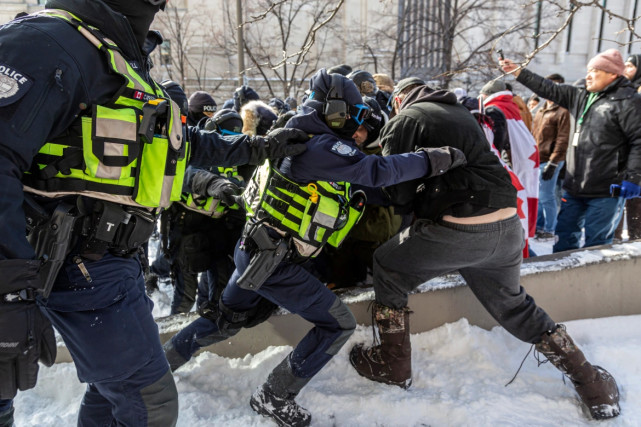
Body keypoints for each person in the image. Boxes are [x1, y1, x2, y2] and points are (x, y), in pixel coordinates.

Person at [0, 2, 308, 426]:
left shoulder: (113, 53)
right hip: (69, 262)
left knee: (116, 395)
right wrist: (9, 292)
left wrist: (257, 148)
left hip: (109, 263)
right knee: (150, 403)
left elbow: (173, 141)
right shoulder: (44, 41)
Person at [163, 68, 467, 426]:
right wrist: (435, 160)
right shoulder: (322, 144)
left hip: (255, 250)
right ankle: (274, 396)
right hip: (275, 261)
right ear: (334, 110)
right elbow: (377, 171)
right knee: (337, 324)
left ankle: (160, 365)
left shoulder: (298, 129)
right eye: (352, 116)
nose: (355, 126)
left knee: (225, 320)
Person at [349, 80, 620, 420]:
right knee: (516, 305)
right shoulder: (461, 113)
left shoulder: (406, 119)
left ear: (399, 99)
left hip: (459, 228)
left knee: (386, 265)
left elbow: (397, 193)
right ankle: (592, 383)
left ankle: (392, 364)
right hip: (507, 226)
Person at [502, 49, 641, 252]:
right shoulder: (581, 95)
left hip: (606, 190)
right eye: (588, 70)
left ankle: (593, 283)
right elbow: (547, 88)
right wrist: (518, 71)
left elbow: (639, 141)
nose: (588, 75)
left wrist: (634, 177)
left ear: (613, 74)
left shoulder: (628, 101)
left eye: (595, 70)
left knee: (596, 247)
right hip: (574, 186)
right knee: (564, 240)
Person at [480, 79, 539, 257]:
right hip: (524, 165)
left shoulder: (494, 109)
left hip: (511, 169)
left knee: (514, 223)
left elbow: (496, 144)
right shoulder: (513, 106)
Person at [531, 74, 570, 240]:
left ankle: (549, 229)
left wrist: (554, 162)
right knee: (540, 195)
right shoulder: (541, 110)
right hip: (538, 159)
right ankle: (539, 226)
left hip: (551, 160)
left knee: (547, 196)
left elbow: (562, 139)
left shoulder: (563, 111)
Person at [614, 53, 641, 242]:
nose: (626, 69)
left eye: (631, 66)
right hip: (622, 154)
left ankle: (636, 238)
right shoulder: (625, 90)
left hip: (637, 154)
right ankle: (614, 236)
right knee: (616, 198)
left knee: (635, 201)